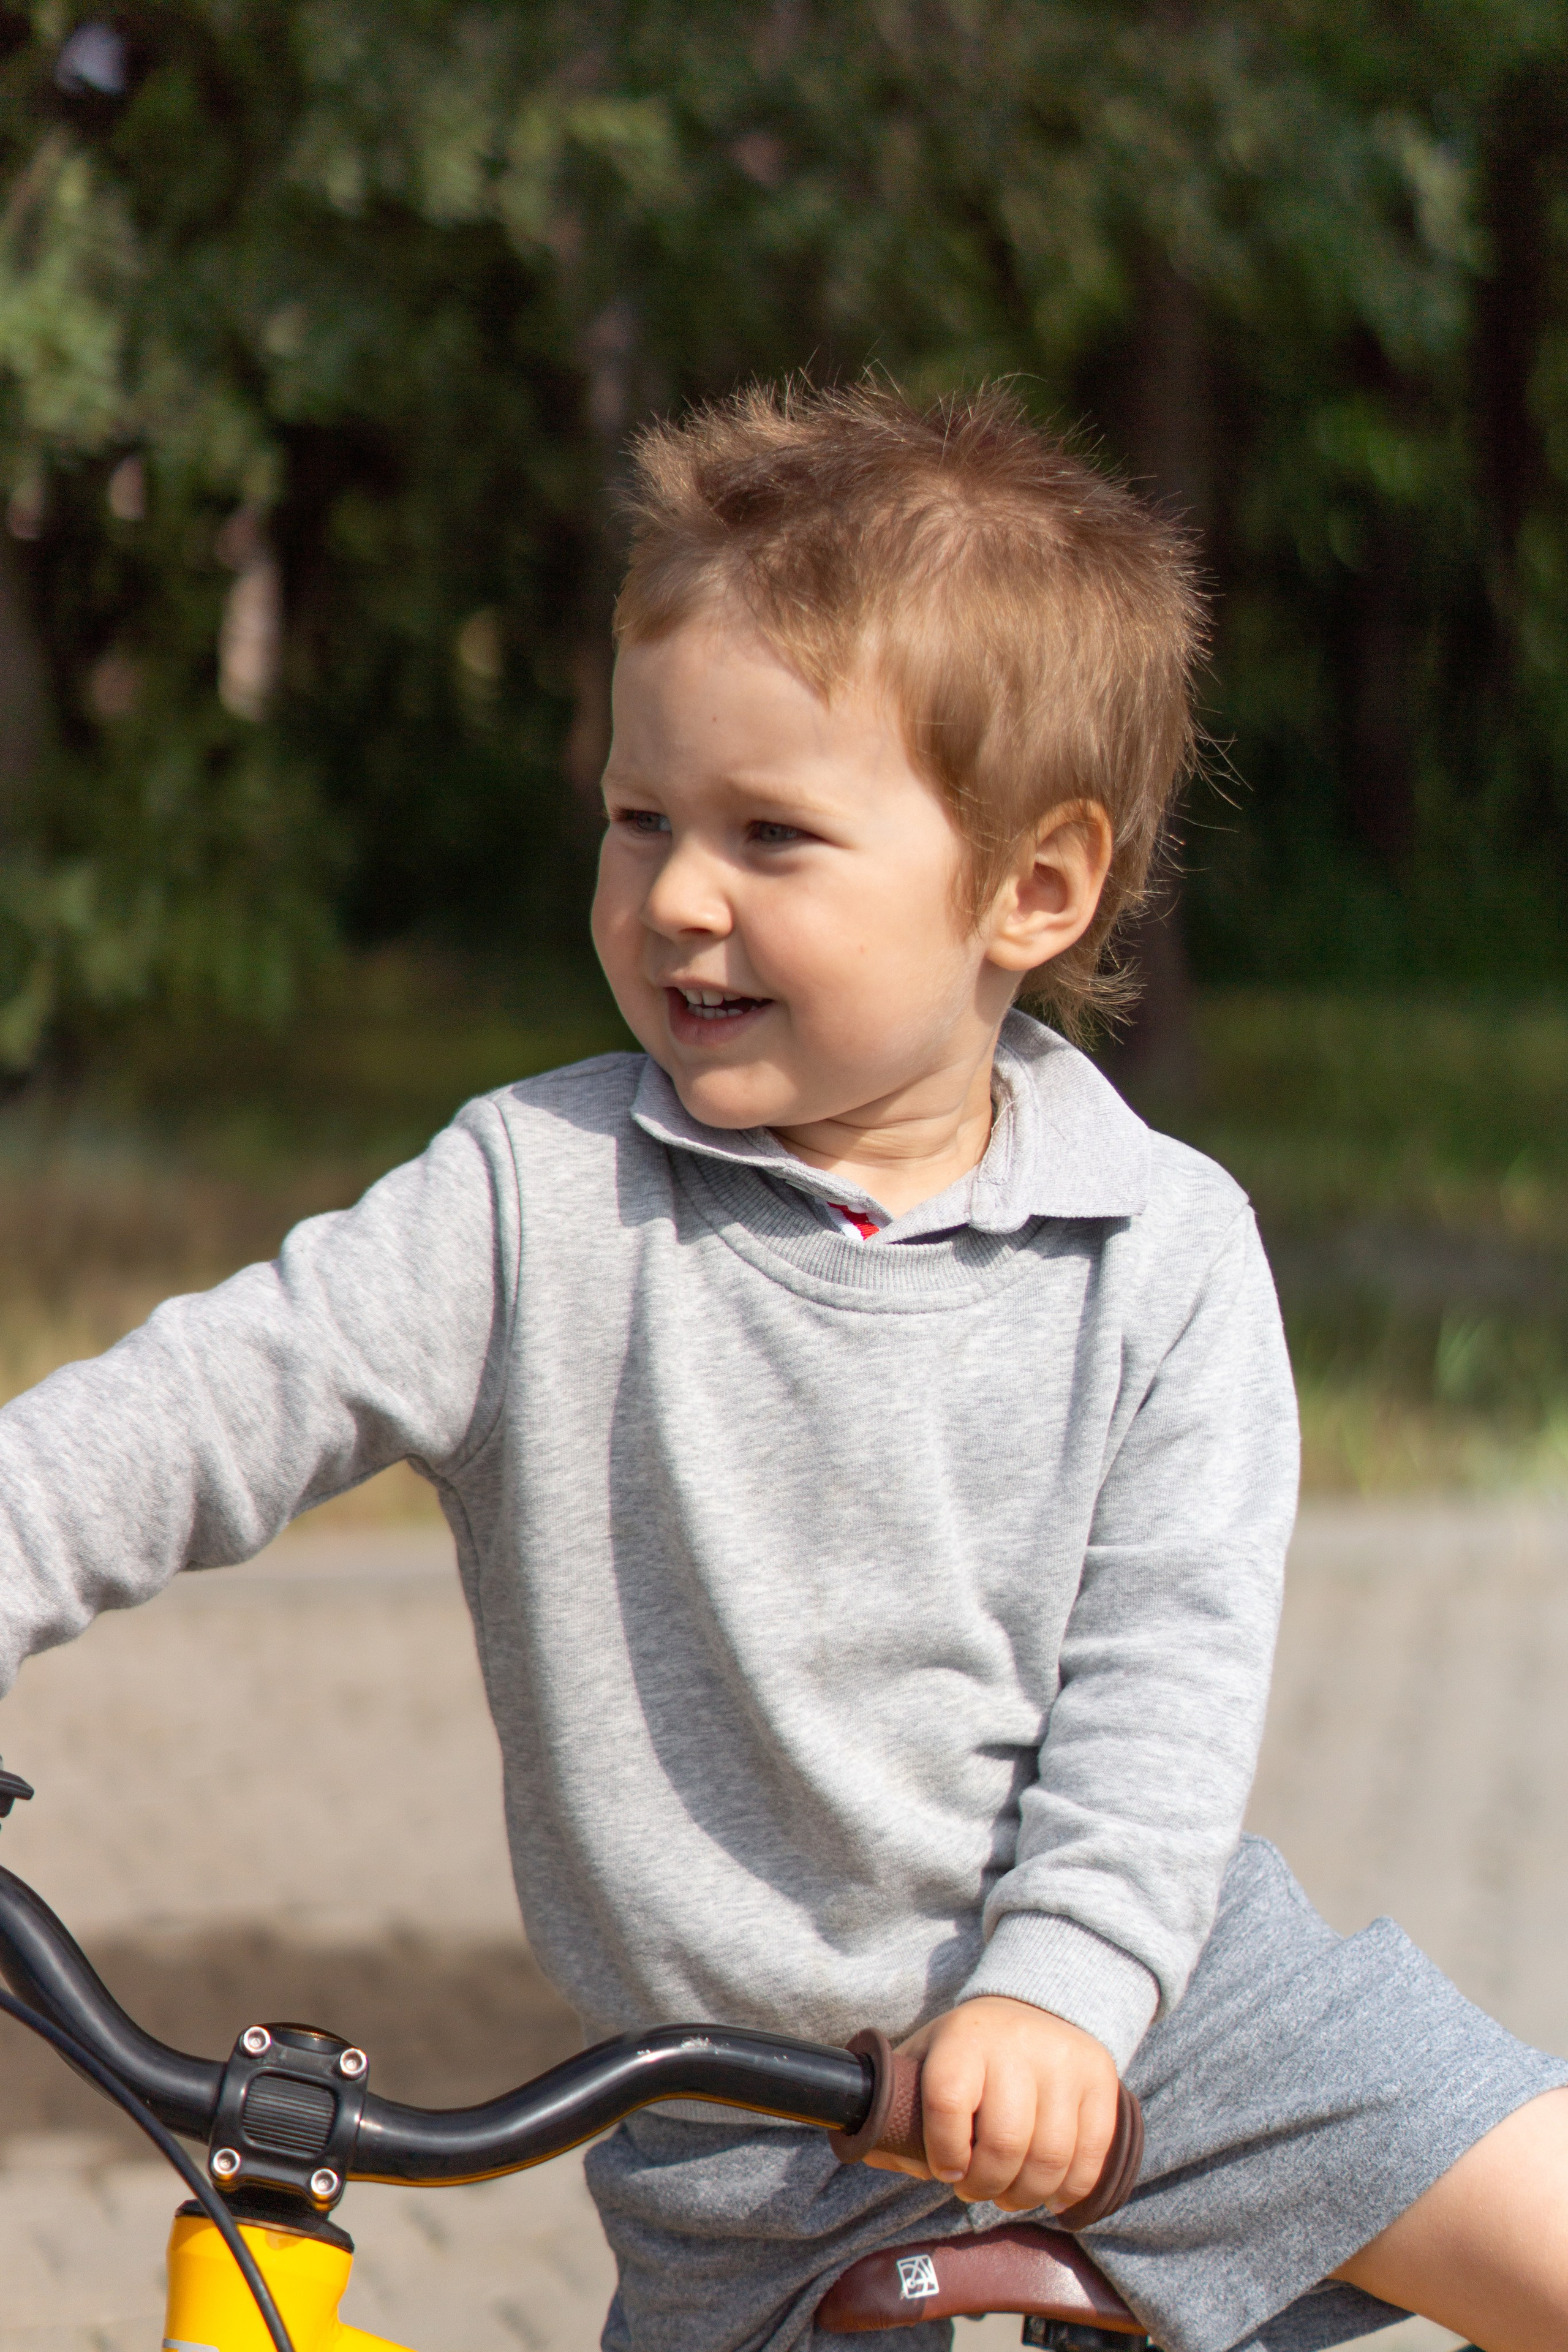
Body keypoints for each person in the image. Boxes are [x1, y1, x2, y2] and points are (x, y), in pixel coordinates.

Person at [0, 383, 1564, 2352]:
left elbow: (1165, 1686)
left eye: (772, 836)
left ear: (1036, 889)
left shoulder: (1160, 1258)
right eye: (640, 818)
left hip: (1172, 2025)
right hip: (741, 2134)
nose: (675, 896)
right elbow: (194, 1410)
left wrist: (1061, 1991)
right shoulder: (529, 1202)